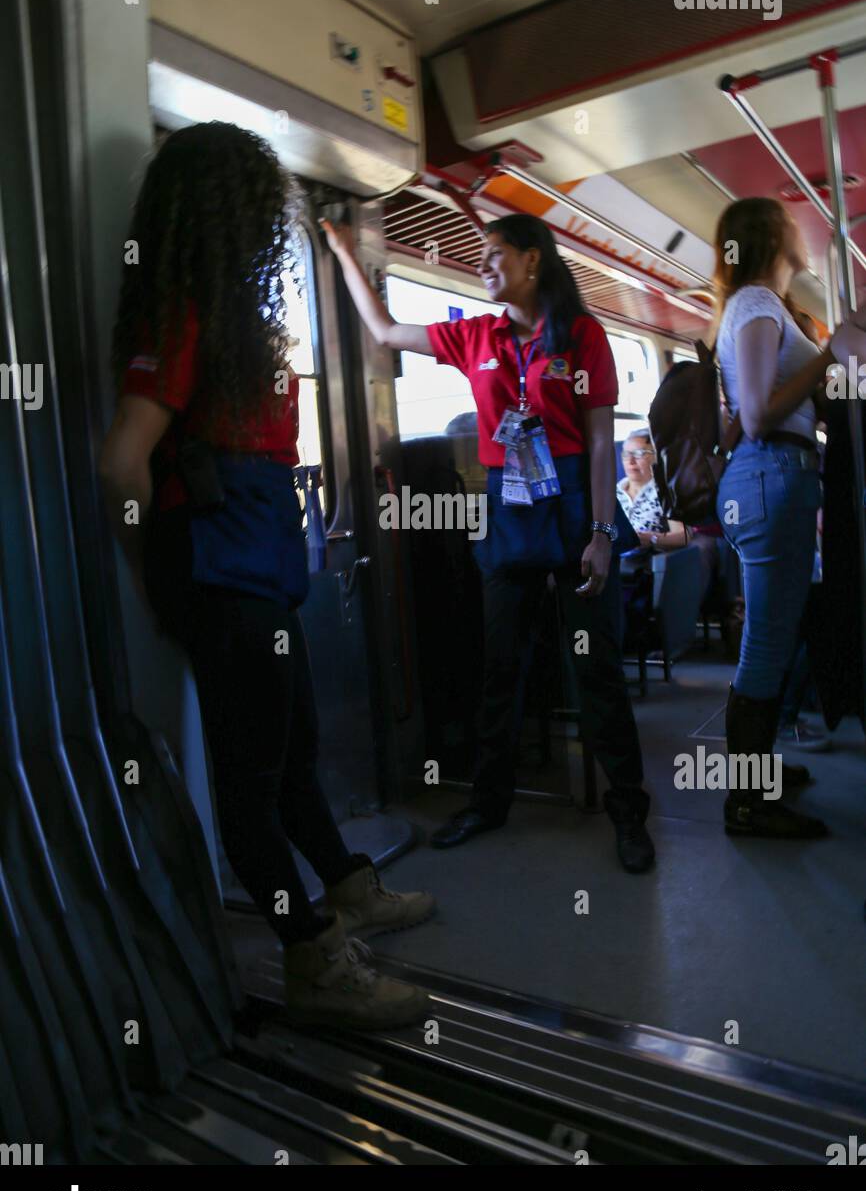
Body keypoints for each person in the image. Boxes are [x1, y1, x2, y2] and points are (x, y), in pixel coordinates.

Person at [98, 121, 432, 1031]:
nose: (264, 230)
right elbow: (123, 461)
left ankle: (347, 889)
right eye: (255, 211)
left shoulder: (228, 317)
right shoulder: (180, 312)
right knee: (250, 788)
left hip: (263, 568)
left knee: (293, 751)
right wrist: (152, 579)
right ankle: (311, 955)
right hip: (223, 573)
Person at [322, 211, 654, 873]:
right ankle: (488, 802)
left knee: (597, 671)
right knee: (500, 667)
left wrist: (598, 533)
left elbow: (596, 441)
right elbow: (386, 330)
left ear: (534, 261)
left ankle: (628, 812)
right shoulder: (476, 335)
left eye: (495, 254)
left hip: (572, 507)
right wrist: (338, 251)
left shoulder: (582, 337)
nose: (483, 265)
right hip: (509, 507)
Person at [713, 195, 866, 837]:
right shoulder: (754, 303)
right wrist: (830, 357)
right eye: (787, 219)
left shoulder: (768, 308)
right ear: (771, 238)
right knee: (768, 643)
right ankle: (746, 802)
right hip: (770, 472)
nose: (799, 227)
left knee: (781, 631)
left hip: (779, 476)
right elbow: (755, 413)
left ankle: (761, 771)